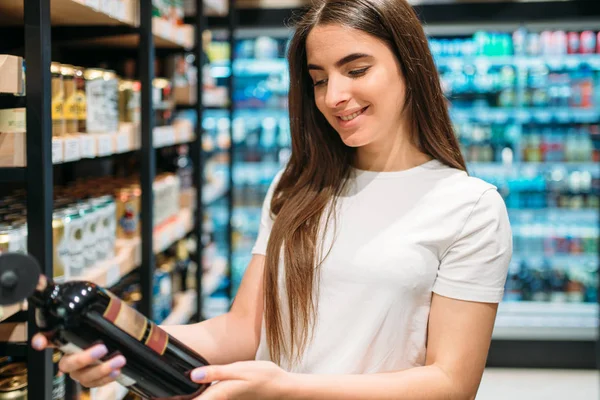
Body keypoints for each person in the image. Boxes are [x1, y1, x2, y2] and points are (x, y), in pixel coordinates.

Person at [33, 0, 513, 398]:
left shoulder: (469, 207)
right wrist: (119, 342)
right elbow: (243, 330)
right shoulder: (299, 183)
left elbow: (451, 382)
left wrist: (289, 389)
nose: (334, 96)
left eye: (357, 69)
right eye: (319, 78)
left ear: (410, 65)